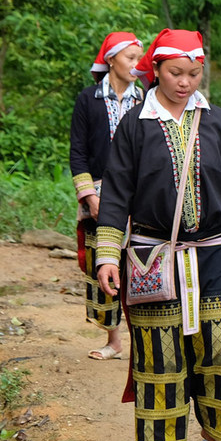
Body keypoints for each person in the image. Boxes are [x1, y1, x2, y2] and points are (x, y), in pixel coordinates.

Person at [95, 28, 221, 441]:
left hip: (212, 253)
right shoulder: (135, 125)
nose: (185, 82)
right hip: (151, 254)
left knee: (220, 346)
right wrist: (107, 255)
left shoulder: (214, 120)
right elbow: (117, 194)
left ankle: (219, 436)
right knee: (162, 352)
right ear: (156, 71)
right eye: (175, 72)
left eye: (194, 73)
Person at [69, 31, 144, 361]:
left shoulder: (145, 100)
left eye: (139, 59)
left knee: (141, 267)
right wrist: (91, 197)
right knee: (106, 267)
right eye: (130, 58)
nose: (136, 65)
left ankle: (143, 340)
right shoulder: (88, 100)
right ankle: (114, 341)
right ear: (111, 59)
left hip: (139, 195)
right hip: (99, 197)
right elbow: (78, 153)